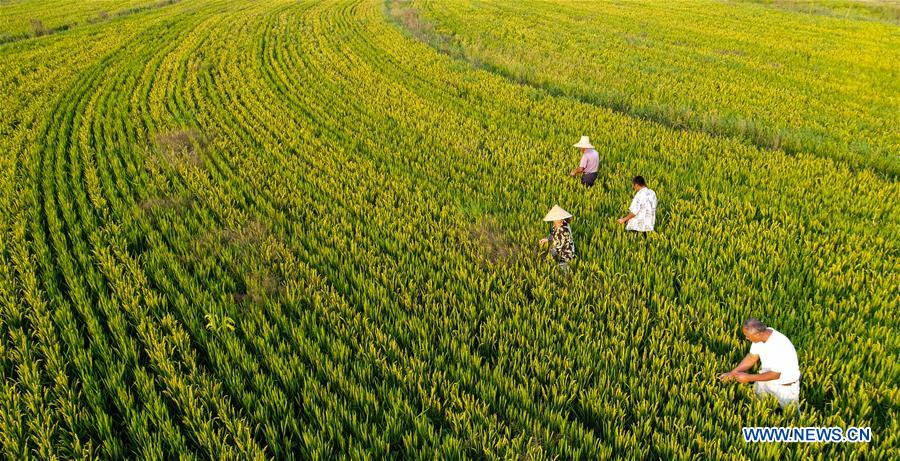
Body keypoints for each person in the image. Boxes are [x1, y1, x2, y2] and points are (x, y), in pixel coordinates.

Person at [719, 319, 801, 409]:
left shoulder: (779, 346)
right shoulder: (761, 337)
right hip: (764, 381)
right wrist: (733, 373)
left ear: (757, 334)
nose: (747, 338)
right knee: (757, 408)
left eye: (747, 336)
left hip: (784, 388)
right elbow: (752, 357)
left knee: (791, 416)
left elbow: (775, 375)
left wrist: (748, 378)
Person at [539, 205, 575, 271]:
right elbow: (553, 234)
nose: (554, 221)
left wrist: (549, 256)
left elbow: (558, 246)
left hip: (566, 252)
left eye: (555, 219)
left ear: (560, 219)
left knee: (562, 268)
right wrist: (547, 239)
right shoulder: (557, 225)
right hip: (559, 248)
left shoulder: (564, 230)